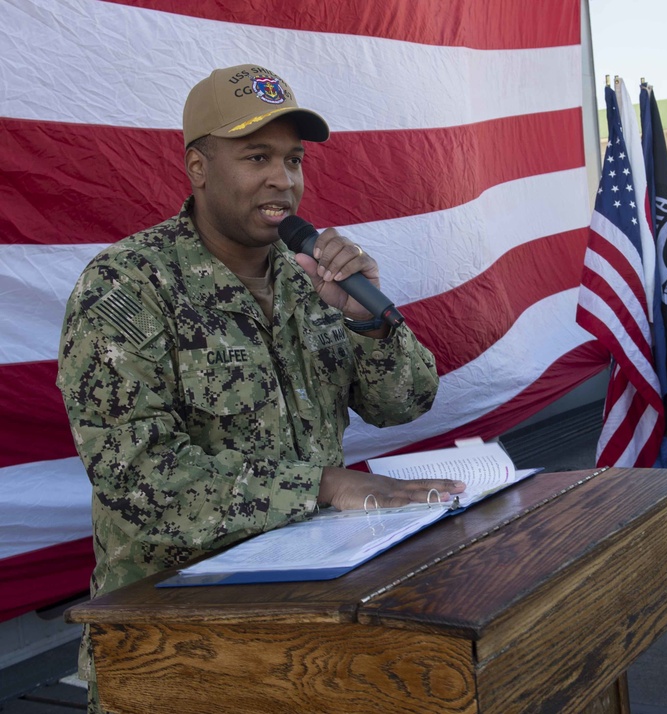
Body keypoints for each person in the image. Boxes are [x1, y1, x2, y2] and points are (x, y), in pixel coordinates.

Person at [56, 63, 465, 713]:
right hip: (176, 647)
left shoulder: (313, 281)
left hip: (314, 625)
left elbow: (404, 402)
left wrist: (364, 319)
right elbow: (134, 477)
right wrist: (324, 487)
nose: (284, 178)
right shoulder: (126, 287)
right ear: (198, 166)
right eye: (256, 156)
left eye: (293, 158)